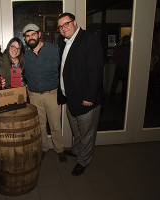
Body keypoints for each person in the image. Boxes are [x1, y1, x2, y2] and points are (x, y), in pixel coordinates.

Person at [57, 13, 104, 176]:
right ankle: (77, 151)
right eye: (61, 26)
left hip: (86, 101)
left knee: (86, 134)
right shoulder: (65, 43)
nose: (64, 28)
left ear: (75, 23)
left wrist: (90, 97)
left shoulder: (89, 41)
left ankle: (83, 161)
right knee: (76, 130)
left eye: (67, 24)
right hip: (71, 98)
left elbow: (96, 72)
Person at [22, 23, 67, 162]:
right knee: (40, 125)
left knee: (55, 125)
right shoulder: (24, 54)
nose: (31, 38)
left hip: (52, 94)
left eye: (33, 34)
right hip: (34, 95)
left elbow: (64, 69)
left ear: (39, 35)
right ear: (24, 38)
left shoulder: (54, 50)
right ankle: (44, 148)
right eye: (27, 36)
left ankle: (59, 149)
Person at [110, 35, 130, 101]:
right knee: (124, 86)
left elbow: (113, 58)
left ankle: (111, 97)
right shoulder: (130, 49)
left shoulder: (119, 48)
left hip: (119, 68)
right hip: (126, 68)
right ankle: (123, 100)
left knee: (115, 84)